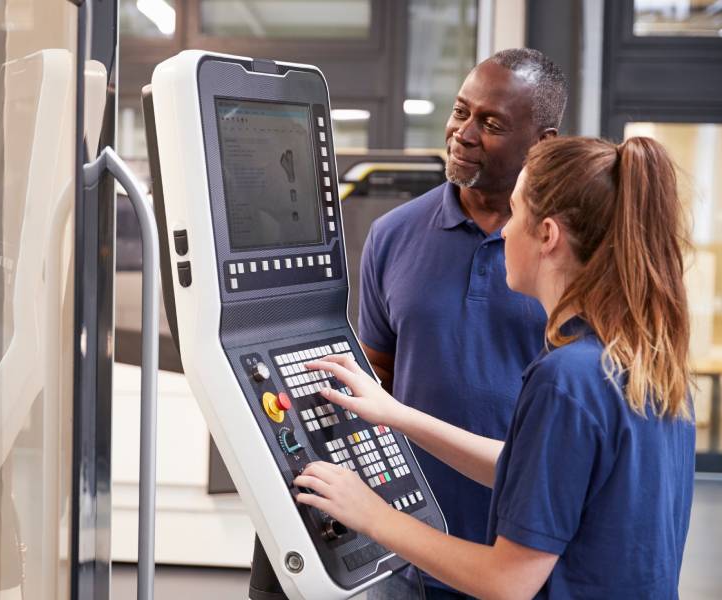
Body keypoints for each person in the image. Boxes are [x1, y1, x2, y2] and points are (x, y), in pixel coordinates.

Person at [298, 136, 695, 599]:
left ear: (547, 235)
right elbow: (529, 470)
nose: (503, 232)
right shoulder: (639, 360)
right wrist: (396, 414)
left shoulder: (566, 380)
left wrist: (371, 514)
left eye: (516, 213)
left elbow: (506, 582)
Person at [358, 47, 567, 599]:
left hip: (528, 555)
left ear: (541, 143)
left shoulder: (565, 252)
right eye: (460, 112)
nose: (463, 133)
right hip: (409, 549)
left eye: (491, 123)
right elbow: (374, 377)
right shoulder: (391, 235)